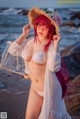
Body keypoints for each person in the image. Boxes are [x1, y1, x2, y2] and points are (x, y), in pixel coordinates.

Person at [8, 7, 72, 119]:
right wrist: (24, 35)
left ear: (51, 28)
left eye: (46, 26)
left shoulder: (52, 45)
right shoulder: (31, 41)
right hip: (35, 88)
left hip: (50, 89)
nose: (41, 29)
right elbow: (12, 50)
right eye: (39, 24)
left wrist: (56, 45)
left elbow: (54, 67)